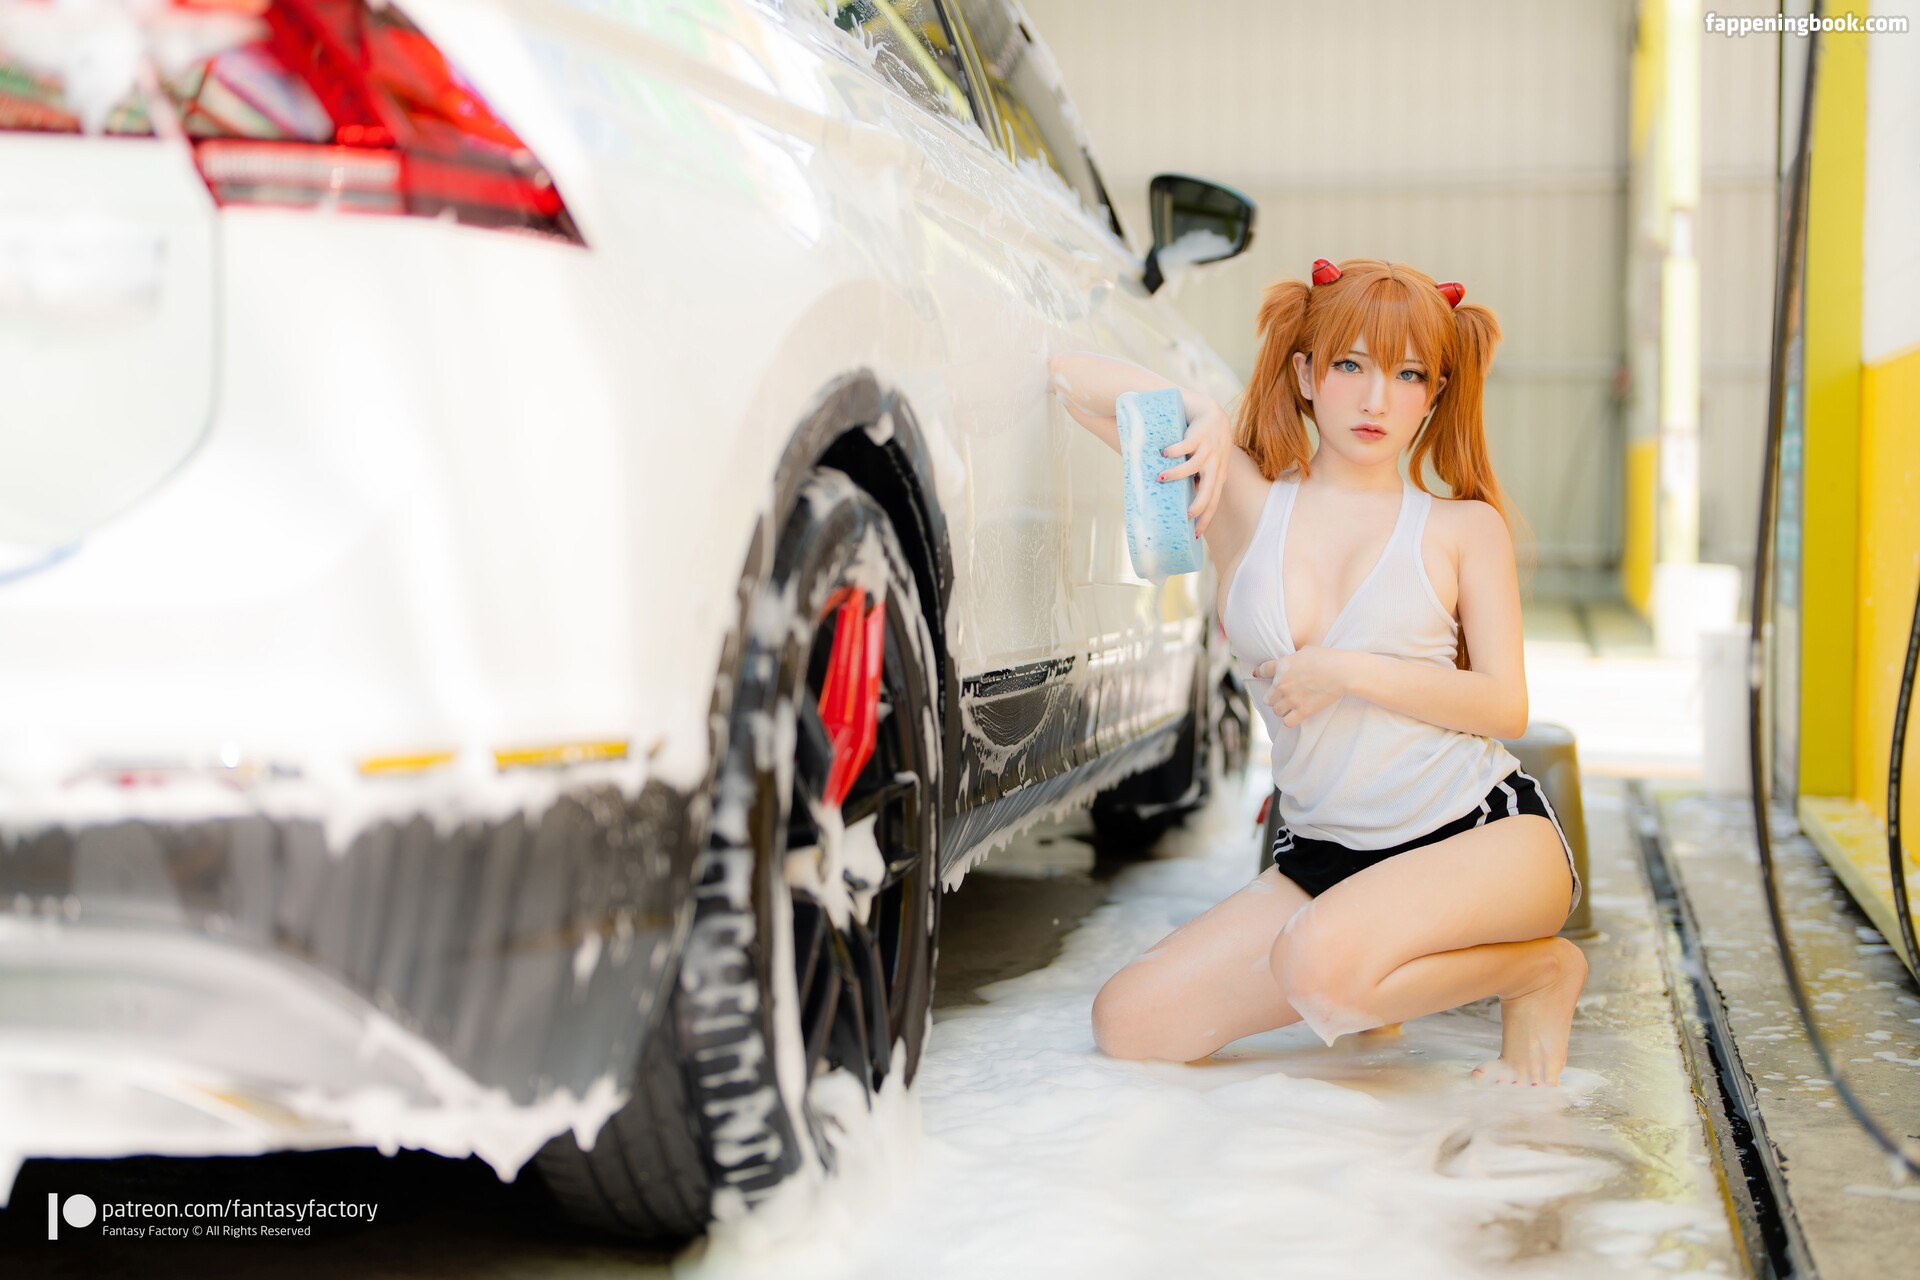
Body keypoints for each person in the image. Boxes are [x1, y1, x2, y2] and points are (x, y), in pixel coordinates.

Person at [1049, 257, 1586, 1087]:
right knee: (1130, 1023)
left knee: (1320, 971)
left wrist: (1346, 671)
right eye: (1351, 365)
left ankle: (1539, 972)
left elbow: (1503, 704)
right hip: (1325, 857)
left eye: (1409, 375)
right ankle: (1366, 963)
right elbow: (1068, 378)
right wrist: (1195, 407)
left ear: (1435, 395)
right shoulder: (1244, 504)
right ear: (1305, 375)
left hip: (1479, 840)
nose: (1377, 399)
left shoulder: (1462, 529)